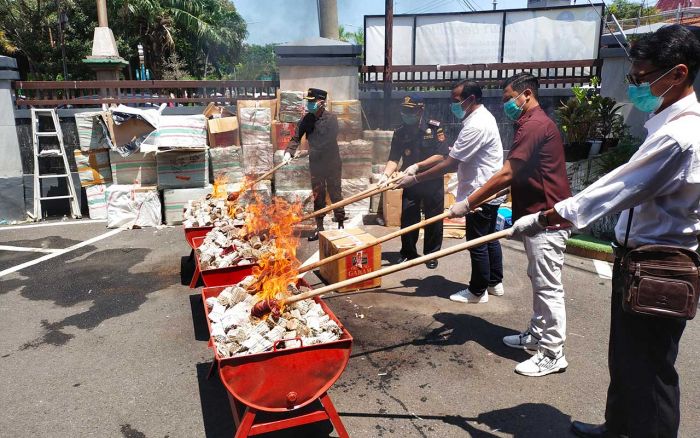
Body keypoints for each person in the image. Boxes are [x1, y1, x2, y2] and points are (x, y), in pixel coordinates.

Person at [510, 25, 700, 437]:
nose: (634, 86)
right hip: (638, 260)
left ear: (679, 73)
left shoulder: (679, 135)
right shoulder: (664, 122)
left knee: (651, 370)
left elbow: (617, 189)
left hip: (660, 265)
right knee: (626, 357)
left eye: (639, 77)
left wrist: (544, 218)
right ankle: (617, 428)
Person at [450, 72, 572, 377]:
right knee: (538, 279)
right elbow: (519, 174)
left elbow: (508, 172)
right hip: (536, 216)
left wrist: (469, 202)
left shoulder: (534, 124)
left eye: (508, 98)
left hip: (548, 218)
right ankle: (537, 334)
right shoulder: (530, 123)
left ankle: (552, 351)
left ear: (526, 94)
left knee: (548, 286)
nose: (506, 104)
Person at [397, 80, 506, 303]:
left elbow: (449, 163)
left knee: (476, 242)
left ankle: (478, 291)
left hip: (480, 192)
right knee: (490, 239)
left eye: (457, 101)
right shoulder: (483, 117)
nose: (453, 105)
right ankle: (494, 283)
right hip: (488, 187)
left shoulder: (475, 125)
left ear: (471, 99)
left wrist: (415, 177)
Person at [378, 95, 449, 269]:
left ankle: (432, 255)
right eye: (404, 111)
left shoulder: (434, 128)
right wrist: (386, 175)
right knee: (409, 217)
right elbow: (394, 158)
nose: (406, 114)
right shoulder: (400, 132)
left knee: (433, 218)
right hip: (410, 181)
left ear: (420, 110)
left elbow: (441, 155)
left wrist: (418, 165)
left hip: (432, 179)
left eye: (410, 111)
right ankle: (408, 252)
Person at [284, 88, 344, 241]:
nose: (309, 104)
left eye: (312, 101)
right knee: (318, 195)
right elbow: (296, 137)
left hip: (331, 163)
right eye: (308, 101)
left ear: (321, 102)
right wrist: (288, 152)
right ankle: (320, 227)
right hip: (316, 165)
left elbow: (328, 141)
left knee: (335, 192)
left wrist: (307, 152)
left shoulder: (331, 119)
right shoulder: (307, 119)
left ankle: (340, 223)